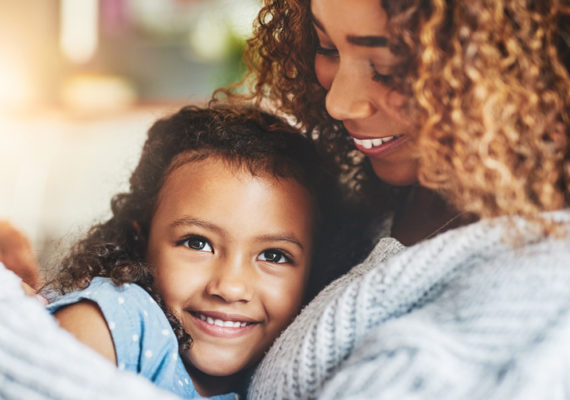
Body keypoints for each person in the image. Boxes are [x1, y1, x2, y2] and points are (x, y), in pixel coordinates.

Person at [225, 0, 570, 398]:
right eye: (328, 48)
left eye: (386, 68)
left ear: (526, 68)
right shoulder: (374, 191)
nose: (338, 103)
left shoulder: (539, 305)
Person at [44, 103, 347, 399]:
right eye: (197, 243)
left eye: (273, 255)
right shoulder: (116, 320)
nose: (230, 287)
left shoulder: (287, 370)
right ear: (140, 240)